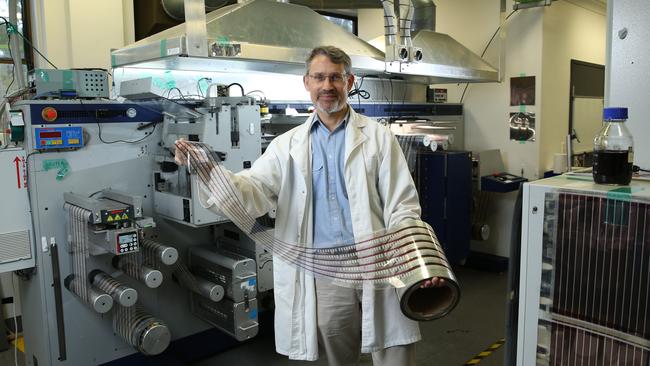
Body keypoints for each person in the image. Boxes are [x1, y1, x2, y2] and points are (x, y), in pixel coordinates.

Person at [176, 45, 444, 365]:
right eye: (319, 77)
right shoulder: (286, 146)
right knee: (336, 354)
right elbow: (252, 190)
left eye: (335, 77)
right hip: (328, 276)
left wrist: (419, 264)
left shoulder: (378, 138)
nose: (327, 86)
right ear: (307, 82)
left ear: (350, 81)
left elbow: (403, 207)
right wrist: (208, 170)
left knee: (394, 355)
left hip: (382, 266)